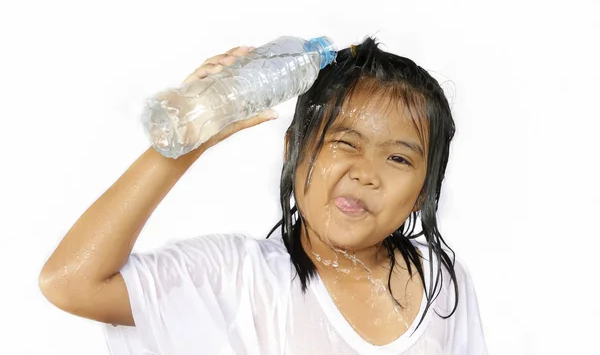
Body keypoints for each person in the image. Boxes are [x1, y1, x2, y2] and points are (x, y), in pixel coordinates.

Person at [39, 37, 488, 354]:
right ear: (294, 148)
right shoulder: (238, 278)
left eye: (399, 159)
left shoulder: (440, 282)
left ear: (423, 192)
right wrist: (181, 144)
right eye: (345, 143)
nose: (365, 173)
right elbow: (72, 282)